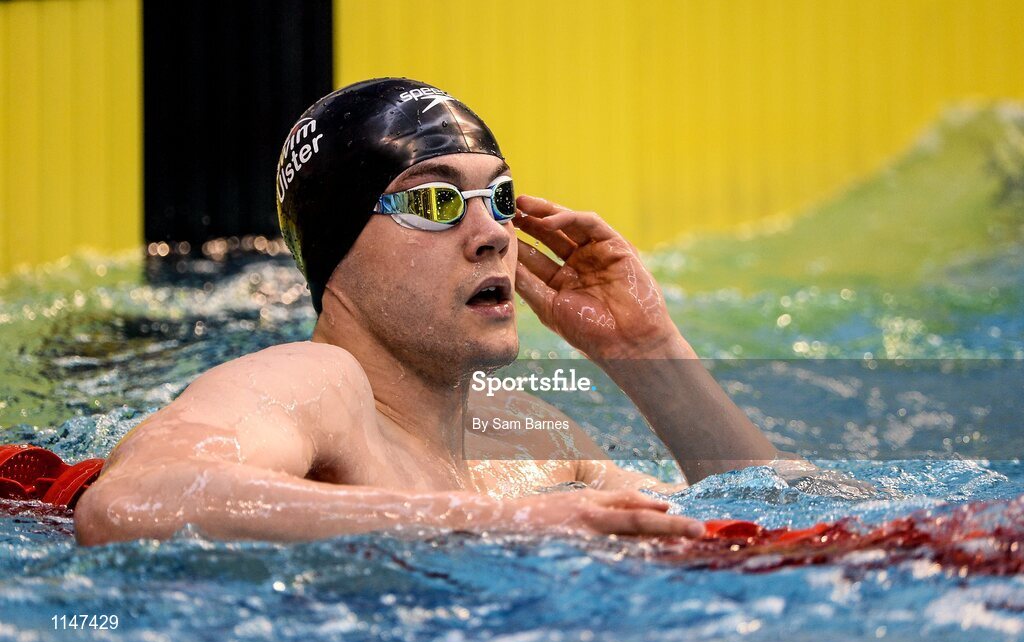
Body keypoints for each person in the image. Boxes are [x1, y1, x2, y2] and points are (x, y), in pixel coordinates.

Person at [74, 78, 789, 546]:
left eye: (500, 197)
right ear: (337, 246)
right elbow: (129, 503)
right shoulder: (316, 384)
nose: (492, 235)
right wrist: (500, 523)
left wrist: (647, 350)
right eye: (432, 202)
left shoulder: (524, 439)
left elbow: (777, 517)